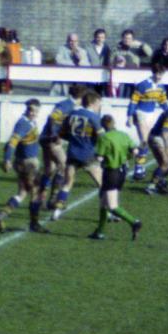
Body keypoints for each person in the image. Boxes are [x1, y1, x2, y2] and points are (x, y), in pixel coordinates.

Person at [0, 99, 44, 234]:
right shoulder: (23, 124)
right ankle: (34, 223)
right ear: (26, 109)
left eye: (35, 111)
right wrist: (7, 160)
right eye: (30, 110)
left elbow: (10, 145)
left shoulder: (29, 122)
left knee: (22, 193)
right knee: (36, 193)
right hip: (29, 163)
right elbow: (11, 143)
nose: (33, 113)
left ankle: (1, 215)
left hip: (21, 163)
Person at [51, 91, 103, 221]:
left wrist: (74, 139)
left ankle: (56, 211)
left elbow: (61, 133)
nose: (99, 107)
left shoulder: (72, 114)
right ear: (92, 103)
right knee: (102, 184)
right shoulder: (94, 117)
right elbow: (102, 137)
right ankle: (111, 212)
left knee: (67, 183)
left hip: (72, 153)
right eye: (98, 104)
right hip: (88, 154)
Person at [89, 114, 142, 241]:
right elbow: (135, 151)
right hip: (122, 171)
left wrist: (94, 158)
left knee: (112, 206)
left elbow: (100, 157)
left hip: (111, 172)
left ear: (102, 126)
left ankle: (134, 222)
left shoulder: (104, 138)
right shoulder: (123, 135)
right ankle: (99, 232)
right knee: (103, 202)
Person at [38, 84, 84, 213]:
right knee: (63, 166)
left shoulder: (69, 105)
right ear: (80, 97)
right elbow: (53, 118)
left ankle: (40, 200)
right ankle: (53, 200)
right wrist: (55, 134)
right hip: (50, 140)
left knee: (49, 169)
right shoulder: (65, 105)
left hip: (45, 138)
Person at [127, 63, 168, 180]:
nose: (159, 76)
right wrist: (129, 115)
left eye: (161, 74)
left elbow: (163, 102)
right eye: (158, 73)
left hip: (151, 114)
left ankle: (127, 159)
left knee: (147, 142)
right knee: (144, 141)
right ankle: (139, 168)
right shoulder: (143, 85)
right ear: (153, 73)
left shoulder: (161, 87)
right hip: (140, 113)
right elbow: (134, 101)